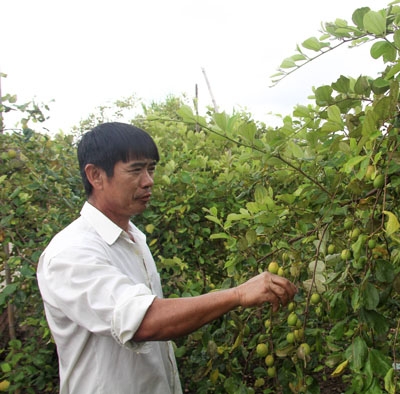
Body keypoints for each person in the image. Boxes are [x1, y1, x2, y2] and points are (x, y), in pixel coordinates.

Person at [36, 122, 297, 394]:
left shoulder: (133, 238)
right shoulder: (71, 252)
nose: (148, 181)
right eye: (136, 170)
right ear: (96, 175)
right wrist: (238, 295)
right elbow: (145, 322)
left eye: (151, 169)